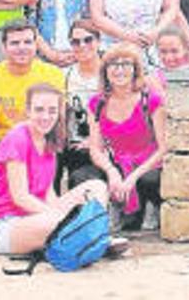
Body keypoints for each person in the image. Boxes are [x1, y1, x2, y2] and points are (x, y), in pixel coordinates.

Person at [0, 83, 109, 255]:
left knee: (96, 187)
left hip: (38, 216)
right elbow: (21, 197)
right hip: (5, 225)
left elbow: (48, 194)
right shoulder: (17, 138)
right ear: (28, 110)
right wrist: (63, 217)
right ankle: (87, 238)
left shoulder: (49, 140)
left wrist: (61, 213)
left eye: (52, 110)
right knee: (54, 222)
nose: (46, 116)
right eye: (39, 110)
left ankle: (83, 237)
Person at [71, 44, 167, 231]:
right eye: (113, 65)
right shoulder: (97, 103)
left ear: (135, 70)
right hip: (117, 160)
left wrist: (132, 178)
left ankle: (150, 206)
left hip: (148, 163)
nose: (119, 70)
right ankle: (106, 210)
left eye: (126, 64)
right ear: (105, 71)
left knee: (149, 179)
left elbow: (163, 148)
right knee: (81, 177)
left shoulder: (151, 101)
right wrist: (111, 172)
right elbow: (96, 149)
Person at [0, 20, 65, 178]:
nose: (22, 48)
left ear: (36, 45)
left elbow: (58, 122)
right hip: (4, 143)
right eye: (15, 43)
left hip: (42, 141)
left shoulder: (53, 74)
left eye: (27, 42)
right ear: (4, 47)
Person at [58, 20, 103, 192]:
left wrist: (95, 141)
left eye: (88, 40)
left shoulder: (111, 72)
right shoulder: (65, 75)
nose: (82, 45)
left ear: (98, 41)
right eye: (75, 42)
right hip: (74, 143)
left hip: (104, 142)